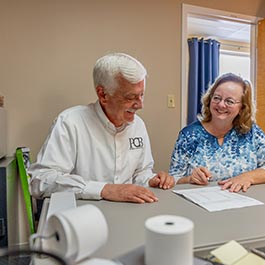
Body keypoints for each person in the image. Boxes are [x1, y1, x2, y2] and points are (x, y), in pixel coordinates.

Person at [29, 53, 175, 203]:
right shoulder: (70, 122)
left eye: (141, 95)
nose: (140, 105)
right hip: (80, 215)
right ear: (103, 94)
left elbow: (140, 173)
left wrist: (151, 180)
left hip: (127, 213)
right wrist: (104, 189)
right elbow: (40, 180)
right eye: (130, 97)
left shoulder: (138, 125)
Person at [169, 72, 265, 192]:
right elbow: (172, 179)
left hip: (245, 202)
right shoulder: (189, 135)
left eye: (229, 101)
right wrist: (190, 179)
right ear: (209, 100)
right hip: (200, 204)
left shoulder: (251, 132)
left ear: (242, 108)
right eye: (216, 98)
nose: (221, 104)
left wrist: (247, 177)